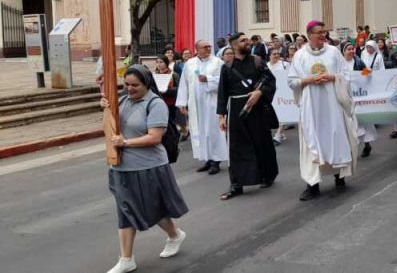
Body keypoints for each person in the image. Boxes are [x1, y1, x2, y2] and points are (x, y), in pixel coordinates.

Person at [103, 65, 188, 273]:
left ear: (147, 84)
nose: (129, 89)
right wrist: (106, 109)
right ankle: (126, 259)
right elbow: (111, 128)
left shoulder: (155, 103)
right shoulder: (121, 101)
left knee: (153, 209)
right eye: (127, 84)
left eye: (135, 85)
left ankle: (175, 235)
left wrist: (126, 143)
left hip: (149, 167)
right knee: (125, 211)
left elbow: (154, 137)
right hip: (121, 166)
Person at [288, 21, 359, 201]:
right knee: (312, 142)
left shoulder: (334, 52)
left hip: (332, 105)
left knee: (335, 137)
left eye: (324, 32)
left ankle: (339, 176)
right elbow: (292, 81)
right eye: (319, 32)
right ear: (309, 34)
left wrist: (332, 77)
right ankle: (312, 185)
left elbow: (346, 75)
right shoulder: (299, 55)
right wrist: (308, 80)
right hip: (311, 109)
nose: (323, 35)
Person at [216, 32, 279, 200]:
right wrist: (221, 116)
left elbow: (271, 82)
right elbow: (222, 93)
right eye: (243, 41)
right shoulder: (226, 67)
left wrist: (259, 92)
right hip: (236, 110)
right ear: (234, 45)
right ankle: (236, 184)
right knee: (236, 147)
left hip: (257, 109)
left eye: (248, 40)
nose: (248, 42)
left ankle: (267, 175)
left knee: (262, 142)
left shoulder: (258, 62)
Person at [176, 40, 228, 175]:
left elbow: (224, 82)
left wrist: (209, 79)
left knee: (213, 131)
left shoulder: (218, 62)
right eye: (205, 47)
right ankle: (206, 158)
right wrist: (182, 102)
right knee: (199, 130)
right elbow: (184, 83)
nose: (209, 48)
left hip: (211, 103)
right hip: (195, 104)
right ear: (197, 49)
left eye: (209, 46)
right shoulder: (190, 64)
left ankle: (216, 161)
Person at [357, 40, 382, 157]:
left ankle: (366, 143)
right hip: (356, 89)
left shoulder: (377, 57)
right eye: (367, 48)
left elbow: (379, 70)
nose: (369, 50)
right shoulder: (362, 56)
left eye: (370, 47)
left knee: (364, 118)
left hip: (368, 85)